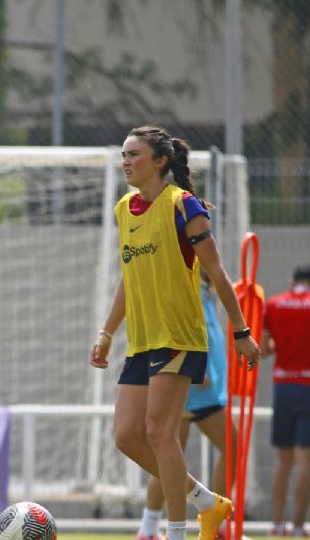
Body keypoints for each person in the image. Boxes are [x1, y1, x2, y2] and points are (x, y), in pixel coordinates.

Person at [90, 125, 260, 540]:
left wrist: (241, 331)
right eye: (124, 155)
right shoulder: (123, 210)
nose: (126, 161)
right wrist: (107, 332)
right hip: (143, 340)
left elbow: (217, 272)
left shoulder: (184, 206)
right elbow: (129, 280)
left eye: (135, 154)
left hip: (180, 337)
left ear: (160, 161)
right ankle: (207, 502)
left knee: (159, 432)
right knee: (128, 436)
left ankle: (177, 531)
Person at [137, 274, 236, 540]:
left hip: (202, 383)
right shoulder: (187, 278)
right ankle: (213, 523)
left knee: (169, 453)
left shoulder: (204, 285)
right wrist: (196, 367)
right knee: (228, 446)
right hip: (196, 385)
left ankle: (149, 527)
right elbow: (185, 323)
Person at [264, 265, 310, 538]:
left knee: (283, 461)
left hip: (283, 386)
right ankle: (298, 525)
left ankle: (277, 524)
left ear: (292, 281)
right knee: (306, 460)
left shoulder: (275, 303)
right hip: (308, 385)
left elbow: (267, 347)